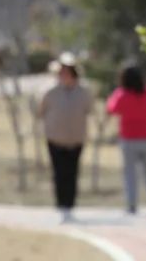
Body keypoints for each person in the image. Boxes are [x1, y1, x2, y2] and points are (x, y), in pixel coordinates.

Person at [38, 52, 91, 223]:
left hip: (76, 139)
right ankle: (61, 205)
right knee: (59, 172)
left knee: (72, 172)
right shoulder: (50, 91)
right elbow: (41, 111)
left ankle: (70, 204)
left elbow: (89, 109)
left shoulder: (83, 91)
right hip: (55, 138)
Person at [105, 63, 146, 216]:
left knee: (130, 174)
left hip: (129, 139)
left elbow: (111, 108)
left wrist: (114, 93)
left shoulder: (122, 94)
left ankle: (131, 205)